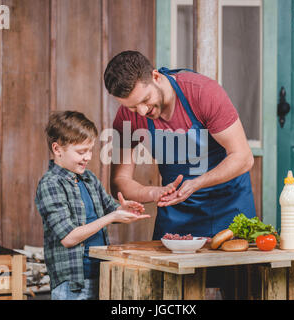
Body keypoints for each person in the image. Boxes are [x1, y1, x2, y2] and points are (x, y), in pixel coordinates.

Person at [105, 51, 256, 297]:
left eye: (145, 100)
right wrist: (153, 192)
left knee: (240, 289)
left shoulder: (202, 92)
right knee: (169, 294)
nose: (141, 112)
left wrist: (196, 183)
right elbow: (119, 182)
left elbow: (243, 157)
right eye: (132, 107)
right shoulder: (128, 116)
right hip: (177, 213)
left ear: (155, 76)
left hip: (230, 205)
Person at [35, 111, 149, 300]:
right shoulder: (51, 184)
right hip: (73, 283)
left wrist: (122, 210)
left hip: (100, 273)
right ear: (57, 149)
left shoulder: (88, 178)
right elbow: (68, 238)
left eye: (90, 150)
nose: (88, 157)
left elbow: (108, 209)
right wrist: (111, 217)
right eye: (81, 152)